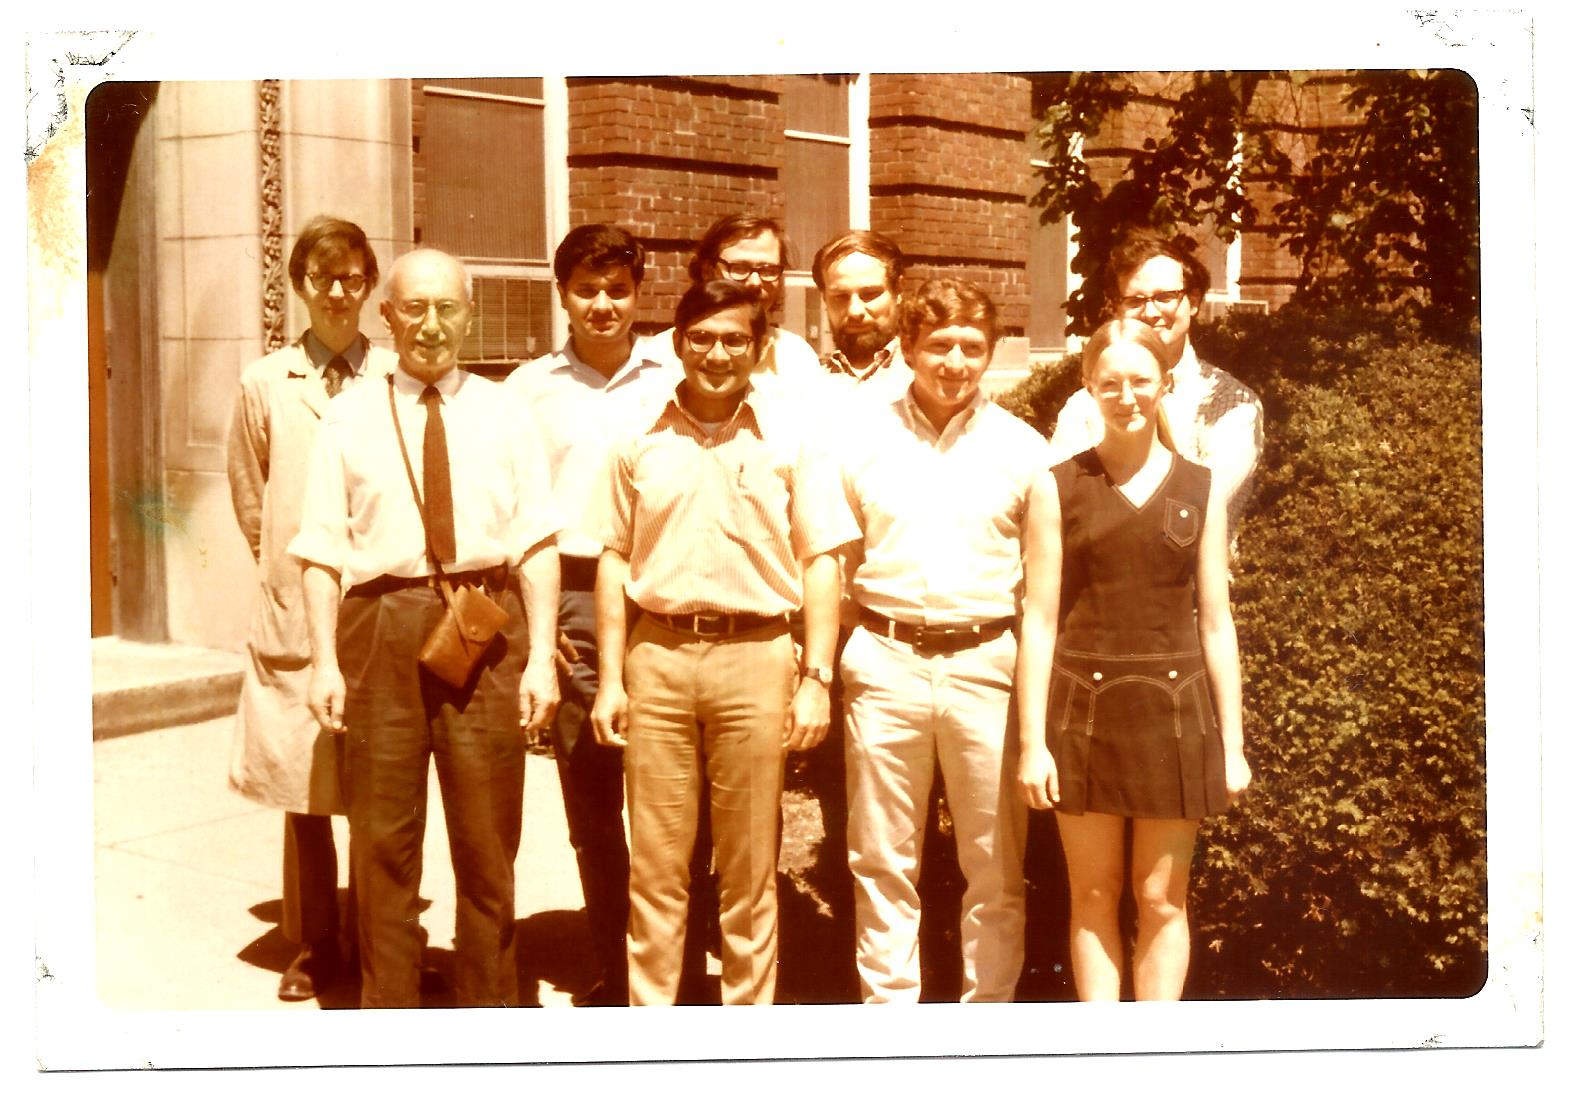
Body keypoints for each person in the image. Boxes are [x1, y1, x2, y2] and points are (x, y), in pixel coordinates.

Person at [291, 247, 562, 1008]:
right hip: (379, 625)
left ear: (469, 316)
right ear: (387, 316)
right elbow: (318, 550)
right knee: (382, 843)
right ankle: (392, 1019)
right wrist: (323, 665)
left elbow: (536, 541)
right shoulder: (348, 414)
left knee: (486, 843)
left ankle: (488, 1014)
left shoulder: (506, 410)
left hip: (482, 626)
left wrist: (540, 657)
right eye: (414, 308)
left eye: (447, 308)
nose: (432, 325)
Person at [588, 279, 858, 1006]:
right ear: (677, 344)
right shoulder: (635, 437)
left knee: (747, 870)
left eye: (734, 339)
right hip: (659, 658)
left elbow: (821, 560)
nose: (716, 353)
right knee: (657, 867)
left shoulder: (792, 441)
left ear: (759, 347)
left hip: (756, 657)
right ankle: (655, 1040)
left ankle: (746, 1044)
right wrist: (611, 678)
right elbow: (612, 557)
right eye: (701, 338)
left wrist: (817, 677)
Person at [1016, 318, 1252, 1001]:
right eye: (1109, 383)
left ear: (1163, 385)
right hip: (1081, 710)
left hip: (1174, 713)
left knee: (1161, 897)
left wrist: (1231, 747)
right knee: (1091, 893)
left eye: (1139, 382)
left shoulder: (1199, 487)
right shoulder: (1056, 486)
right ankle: (1102, 1058)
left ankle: (1155, 1058)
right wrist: (1033, 744)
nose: (1125, 396)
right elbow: (1038, 620)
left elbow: (1214, 623)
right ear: (1088, 389)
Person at [838, 277, 1056, 1003]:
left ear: (990, 354)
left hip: (985, 665)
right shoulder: (862, 438)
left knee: (993, 866)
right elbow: (836, 565)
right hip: (885, 660)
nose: (955, 361)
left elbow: (1040, 591)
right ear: (907, 348)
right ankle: (890, 1028)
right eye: (938, 345)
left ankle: (982, 1029)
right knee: (880, 860)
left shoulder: (1025, 452)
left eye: (972, 347)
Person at [505, 224, 677, 1007]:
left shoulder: (676, 374)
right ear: (563, 294)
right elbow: (516, 509)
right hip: (575, 591)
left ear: (638, 293)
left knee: (676, 787)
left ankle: (676, 964)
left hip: (664, 593)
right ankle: (612, 960)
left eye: (617, 289)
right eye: (587, 290)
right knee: (594, 787)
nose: (603, 305)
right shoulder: (528, 389)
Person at [226, 215, 395, 1002]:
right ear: (301, 286)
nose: (338, 294)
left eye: (353, 279)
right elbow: (253, 498)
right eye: (323, 279)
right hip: (298, 610)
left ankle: (378, 938)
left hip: (381, 607)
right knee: (305, 789)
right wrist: (291, 579)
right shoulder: (265, 382)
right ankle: (310, 944)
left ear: (368, 286)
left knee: (380, 786)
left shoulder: (392, 374)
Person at [1047, 226, 1264, 534]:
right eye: (1135, 300)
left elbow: (1197, 508)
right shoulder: (1084, 406)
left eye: (1165, 297)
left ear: (1193, 301)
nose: (1150, 312)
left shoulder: (1232, 405)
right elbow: (1058, 502)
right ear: (1118, 308)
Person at [652, 214, 826, 388]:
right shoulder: (658, 360)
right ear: (707, 271)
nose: (755, 283)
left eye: (768, 270)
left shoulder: (797, 357)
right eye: (739, 268)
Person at [811, 228, 911, 406]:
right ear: (824, 298)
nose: (855, 311)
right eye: (840, 297)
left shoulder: (932, 378)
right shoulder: (803, 386)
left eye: (870, 294)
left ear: (899, 290)